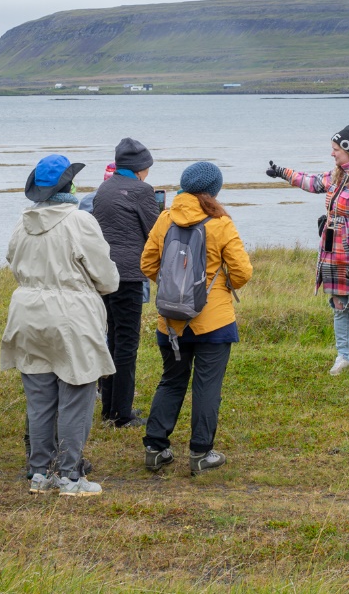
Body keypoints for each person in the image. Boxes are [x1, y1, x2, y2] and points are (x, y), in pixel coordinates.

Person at [0, 155, 118, 496]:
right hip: (72, 315)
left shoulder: (21, 223)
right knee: (76, 397)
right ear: (69, 186)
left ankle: (40, 473)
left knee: (39, 400)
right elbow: (108, 279)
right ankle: (69, 477)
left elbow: (13, 262)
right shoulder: (79, 221)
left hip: (27, 312)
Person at [140, 162, 252, 476]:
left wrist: (172, 287)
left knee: (172, 381)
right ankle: (201, 453)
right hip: (213, 320)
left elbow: (147, 263)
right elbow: (243, 271)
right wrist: (224, 286)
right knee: (207, 386)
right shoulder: (221, 223)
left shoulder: (164, 219)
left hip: (171, 321)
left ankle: (155, 448)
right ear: (214, 190)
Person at [267, 122, 349, 374]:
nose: (331, 153)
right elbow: (312, 182)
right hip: (333, 248)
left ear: (347, 149)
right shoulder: (338, 175)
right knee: (339, 304)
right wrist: (283, 172)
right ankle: (343, 357)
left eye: (335, 149)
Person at [91, 137, 161, 428]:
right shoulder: (143, 191)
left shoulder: (103, 189)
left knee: (111, 339)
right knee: (127, 343)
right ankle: (122, 414)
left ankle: (109, 408)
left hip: (103, 273)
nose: (147, 174)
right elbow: (155, 231)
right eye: (147, 168)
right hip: (130, 275)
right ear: (140, 168)